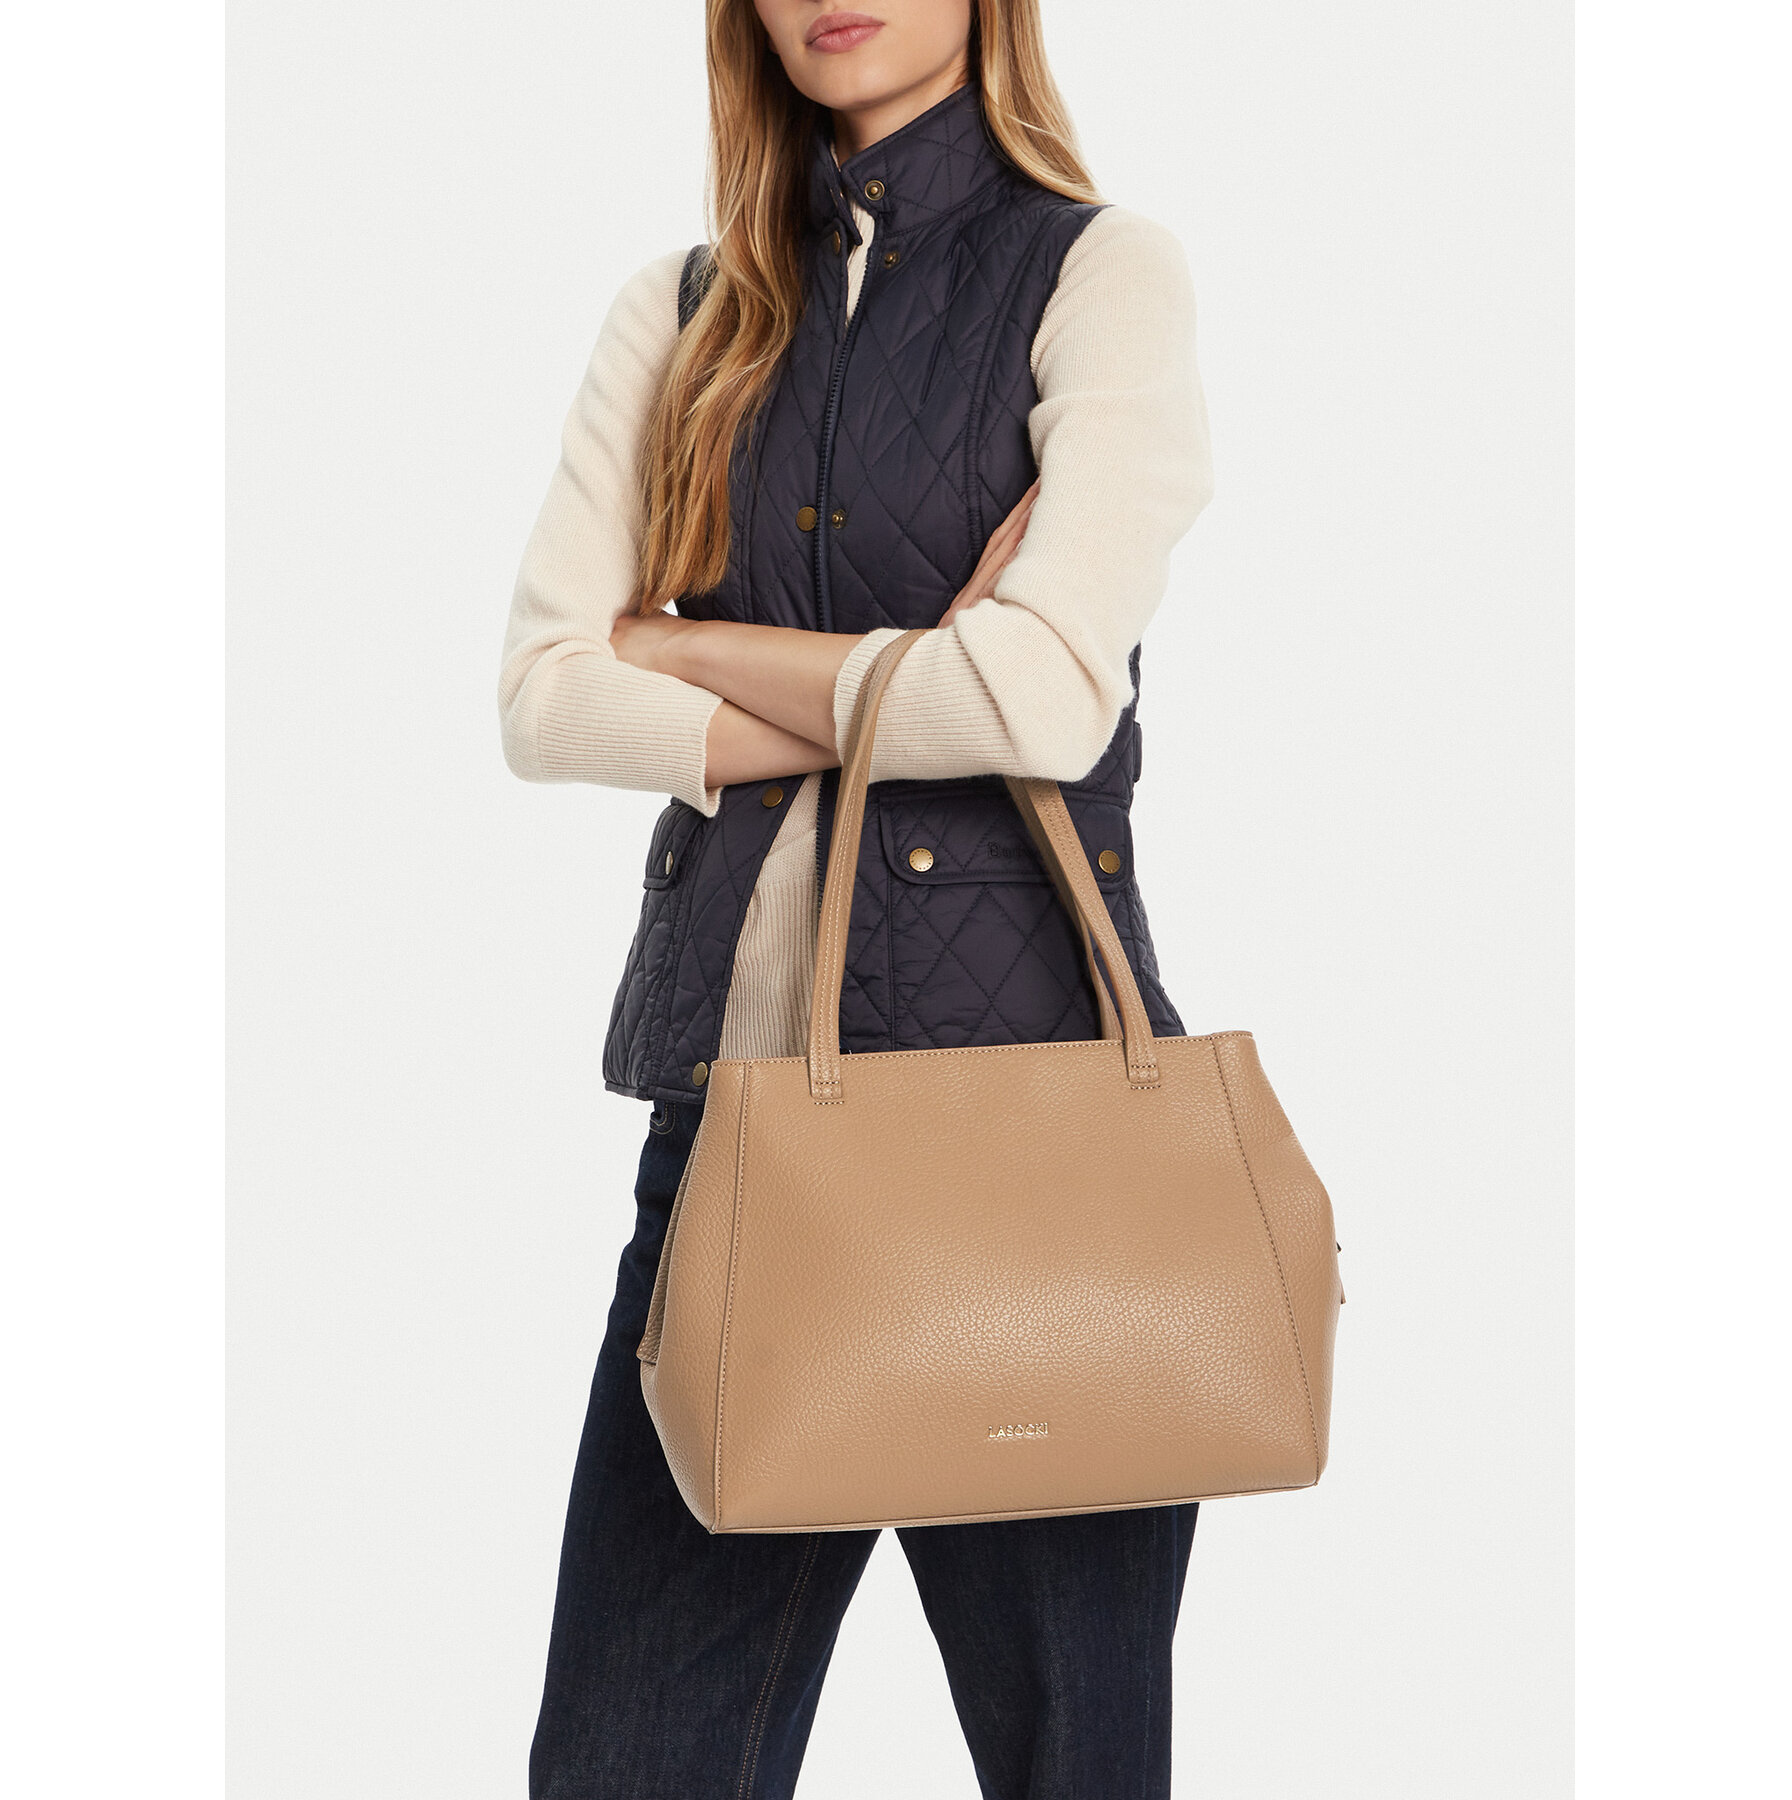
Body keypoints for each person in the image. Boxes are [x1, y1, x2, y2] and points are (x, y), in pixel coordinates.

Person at [498, 2, 1214, 1793]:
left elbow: (1039, 699)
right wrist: (913, 678)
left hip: (1046, 1148)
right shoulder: (680, 313)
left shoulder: (1101, 277)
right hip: (740, 1151)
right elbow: (545, 700)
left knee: (1076, 1765)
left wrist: (689, 648)